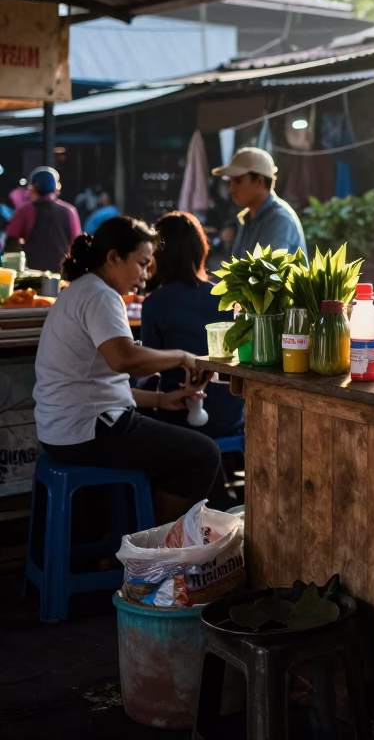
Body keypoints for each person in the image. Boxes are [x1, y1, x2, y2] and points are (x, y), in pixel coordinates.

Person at [33, 217, 224, 522]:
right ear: (113, 258)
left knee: (179, 450)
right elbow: (124, 358)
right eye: (141, 263)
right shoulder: (100, 295)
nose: (146, 275)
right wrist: (182, 356)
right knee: (203, 455)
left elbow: (100, 387)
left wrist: (162, 400)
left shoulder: (82, 289)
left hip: (63, 429)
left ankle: (131, 542)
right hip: (85, 431)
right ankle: (154, 552)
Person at [141, 211, 243, 438]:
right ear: (200, 251)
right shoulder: (225, 297)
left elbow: (147, 364)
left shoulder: (155, 303)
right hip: (230, 414)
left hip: (178, 415)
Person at [212, 147, 306, 258]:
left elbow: (267, 272)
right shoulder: (248, 218)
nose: (231, 188)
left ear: (259, 181)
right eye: (230, 181)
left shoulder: (279, 220)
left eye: (238, 181)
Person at [4, 167, 82, 274]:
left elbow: (11, 242)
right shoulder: (69, 211)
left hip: (32, 275)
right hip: (62, 275)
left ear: (33, 188)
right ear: (57, 188)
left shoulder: (25, 211)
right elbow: (77, 244)